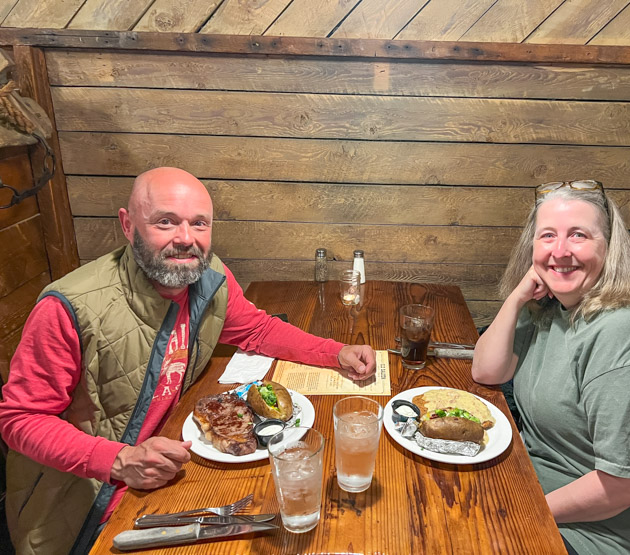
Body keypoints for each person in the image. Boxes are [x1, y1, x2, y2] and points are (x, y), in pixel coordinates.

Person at [0, 167, 376, 555]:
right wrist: (119, 459)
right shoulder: (67, 307)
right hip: (85, 503)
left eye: (199, 224)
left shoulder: (210, 276)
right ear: (127, 225)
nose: (186, 238)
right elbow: (19, 419)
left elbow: (258, 330)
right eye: (166, 222)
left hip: (178, 464)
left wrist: (335, 352)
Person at [471, 180, 630, 554]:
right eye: (547, 236)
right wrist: (519, 295)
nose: (560, 251)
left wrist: (519, 512)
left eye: (579, 235)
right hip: (546, 488)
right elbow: (487, 372)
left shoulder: (626, 333)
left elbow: (625, 487)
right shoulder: (551, 309)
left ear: (610, 249)